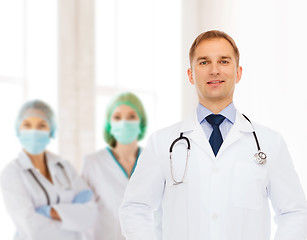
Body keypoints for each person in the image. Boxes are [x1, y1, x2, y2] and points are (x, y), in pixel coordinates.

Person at [119, 30, 307, 240]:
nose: (214, 70)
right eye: (204, 62)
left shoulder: (269, 143)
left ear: (238, 73)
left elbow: (294, 212)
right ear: (190, 74)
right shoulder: (162, 142)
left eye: (224, 61)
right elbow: (135, 207)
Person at [0, 100, 97, 240]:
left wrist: (48, 212)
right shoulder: (12, 173)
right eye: (27, 125)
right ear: (18, 129)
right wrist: (71, 219)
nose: (34, 131)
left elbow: (89, 215)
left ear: (51, 130)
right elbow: (32, 230)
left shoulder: (64, 166)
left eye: (41, 125)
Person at [82, 92, 161, 240]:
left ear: (141, 122)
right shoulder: (92, 163)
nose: (124, 122)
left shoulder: (154, 160)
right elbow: (83, 216)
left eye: (131, 116)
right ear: (109, 124)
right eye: (117, 117)